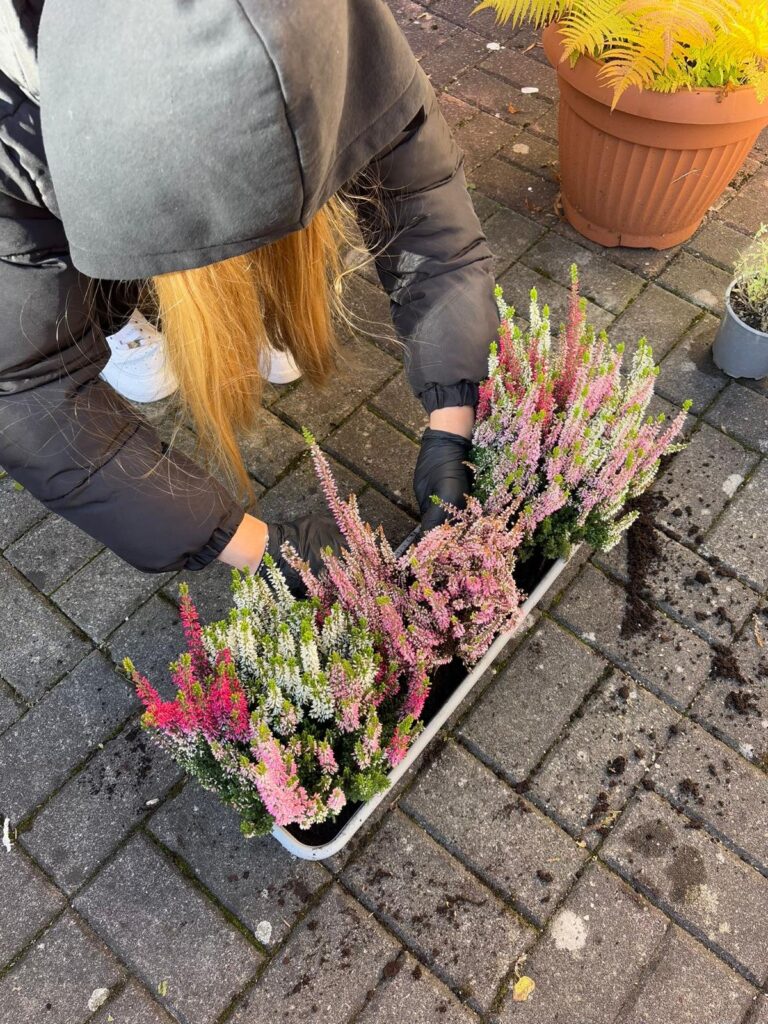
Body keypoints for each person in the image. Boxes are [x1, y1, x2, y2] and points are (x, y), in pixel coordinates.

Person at [0, 0, 498, 589]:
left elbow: (434, 225)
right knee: (83, 287)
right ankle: (117, 314)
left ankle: (257, 285)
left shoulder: (341, 23)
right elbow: (26, 390)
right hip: (64, 153)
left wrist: (454, 416)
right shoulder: (17, 132)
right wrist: (260, 549)